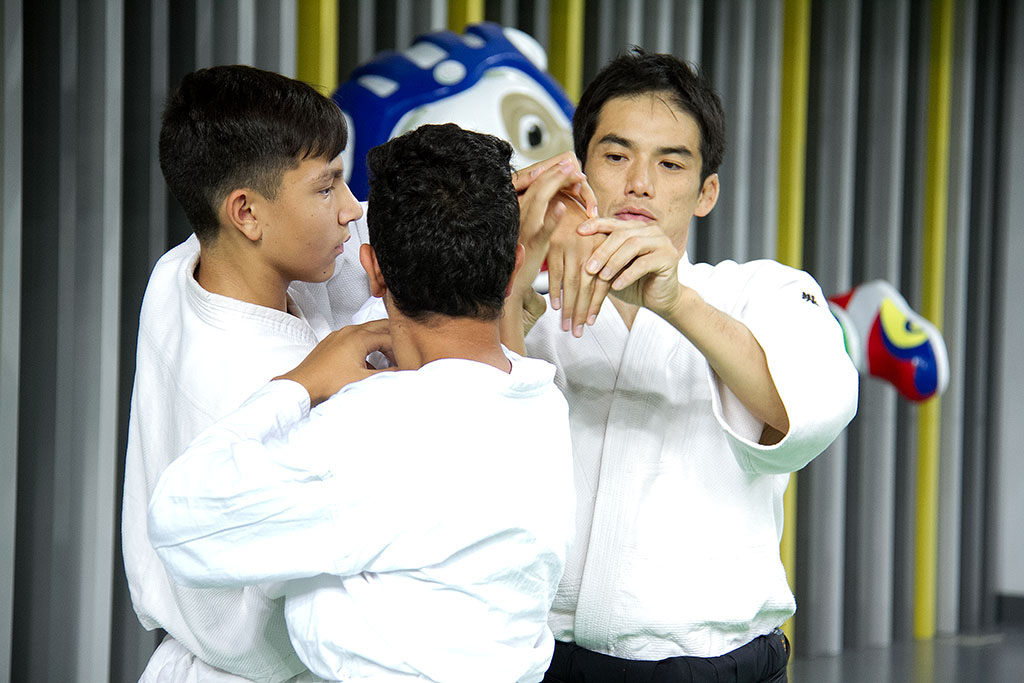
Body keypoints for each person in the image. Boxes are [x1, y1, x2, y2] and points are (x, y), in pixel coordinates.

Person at [123, 64, 589, 682]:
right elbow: (249, 634)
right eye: (328, 187)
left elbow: (409, 239)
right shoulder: (262, 395)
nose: (350, 211)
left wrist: (492, 199)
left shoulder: (187, 267)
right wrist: (305, 383)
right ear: (246, 213)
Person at [524, 49, 860, 682]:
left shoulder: (760, 293)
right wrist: (524, 264)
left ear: (706, 192)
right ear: (580, 171)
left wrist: (676, 302)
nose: (640, 184)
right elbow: (443, 397)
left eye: (670, 163)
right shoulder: (526, 300)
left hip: (715, 663)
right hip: (540, 657)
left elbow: (813, 412)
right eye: (616, 156)